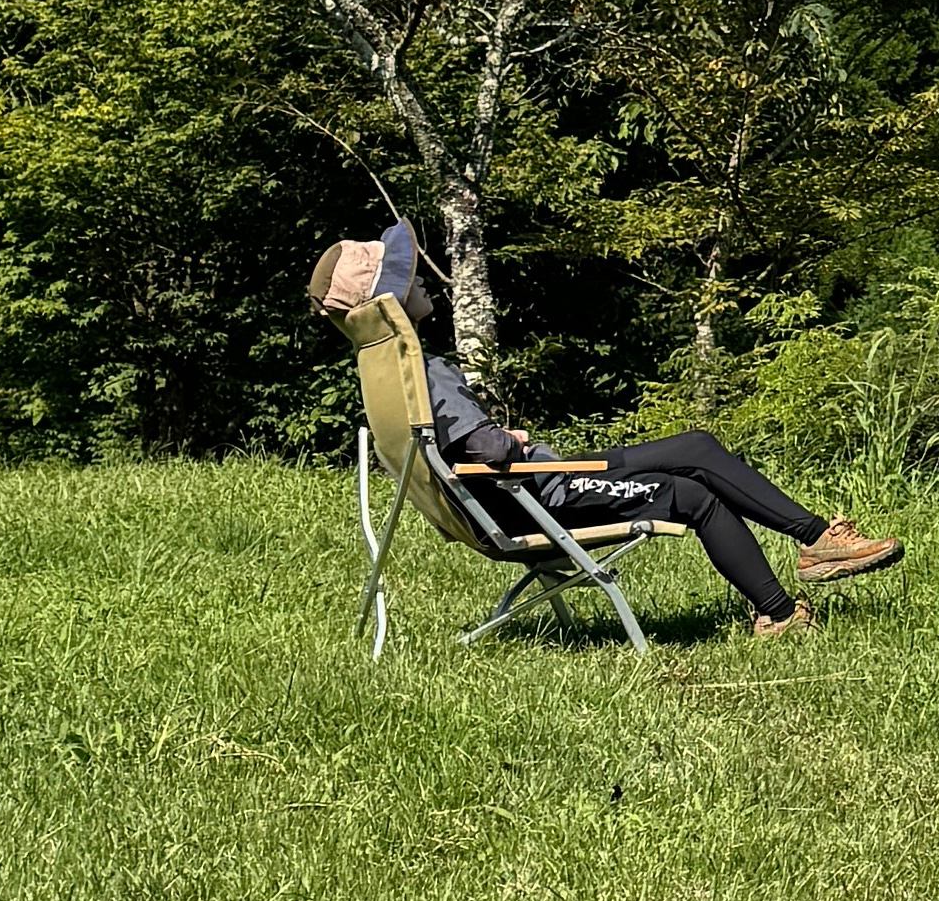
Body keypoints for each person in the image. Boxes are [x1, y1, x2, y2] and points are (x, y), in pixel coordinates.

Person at [309, 228, 903, 640]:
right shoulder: (428, 372)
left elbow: (454, 448)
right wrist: (508, 442)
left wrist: (502, 445)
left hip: (524, 494)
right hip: (539, 500)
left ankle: (818, 539)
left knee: (695, 446)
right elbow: (484, 450)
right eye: (408, 278)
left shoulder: (386, 368)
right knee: (692, 492)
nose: (422, 283)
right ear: (390, 300)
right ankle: (779, 612)